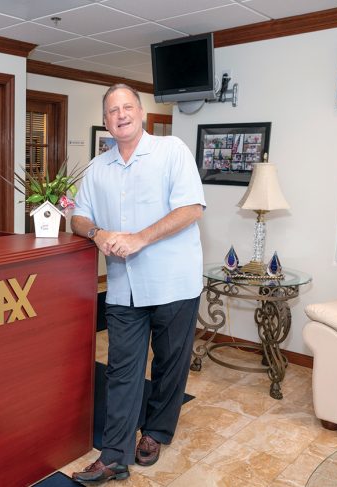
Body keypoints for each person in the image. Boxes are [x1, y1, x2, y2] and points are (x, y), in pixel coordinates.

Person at [70, 84, 205, 484]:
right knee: (121, 368)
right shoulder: (97, 168)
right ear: (106, 120)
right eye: (113, 110)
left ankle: (157, 432)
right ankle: (114, 456)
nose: (121, 114)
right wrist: (96, 233)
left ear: (142, 113)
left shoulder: (171, 151)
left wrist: (139, 238)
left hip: (173, 283)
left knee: (168, 365)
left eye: (128, 107)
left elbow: (192, 208)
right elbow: (78, 217)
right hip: (123, 286)